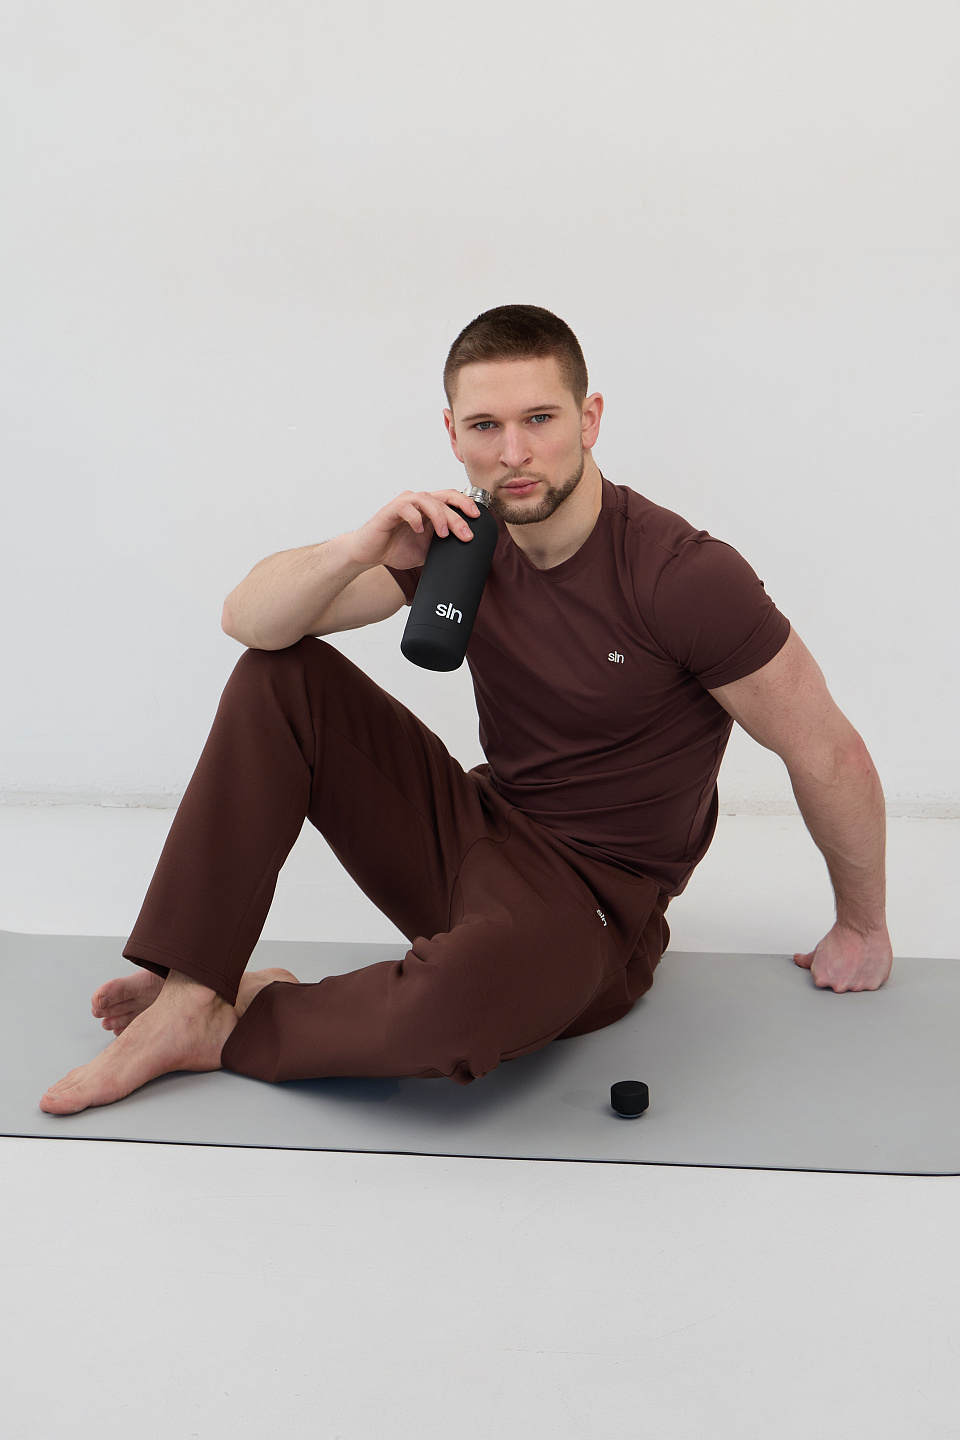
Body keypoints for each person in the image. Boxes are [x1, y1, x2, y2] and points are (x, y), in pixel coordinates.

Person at [40, 304, 893, 1116]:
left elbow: (827, 751)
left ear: (589, 419)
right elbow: (249, 622)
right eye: (485, 426)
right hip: (475, 833)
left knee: (452, 1007)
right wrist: (357, 548)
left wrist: (861, 927)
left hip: (593, 913)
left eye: (540, 419)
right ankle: (193, 991)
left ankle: (236, 1021)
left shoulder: (682, 576)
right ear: (453, 434)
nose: (513, 452)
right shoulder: (460, 543)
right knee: (281, 677)